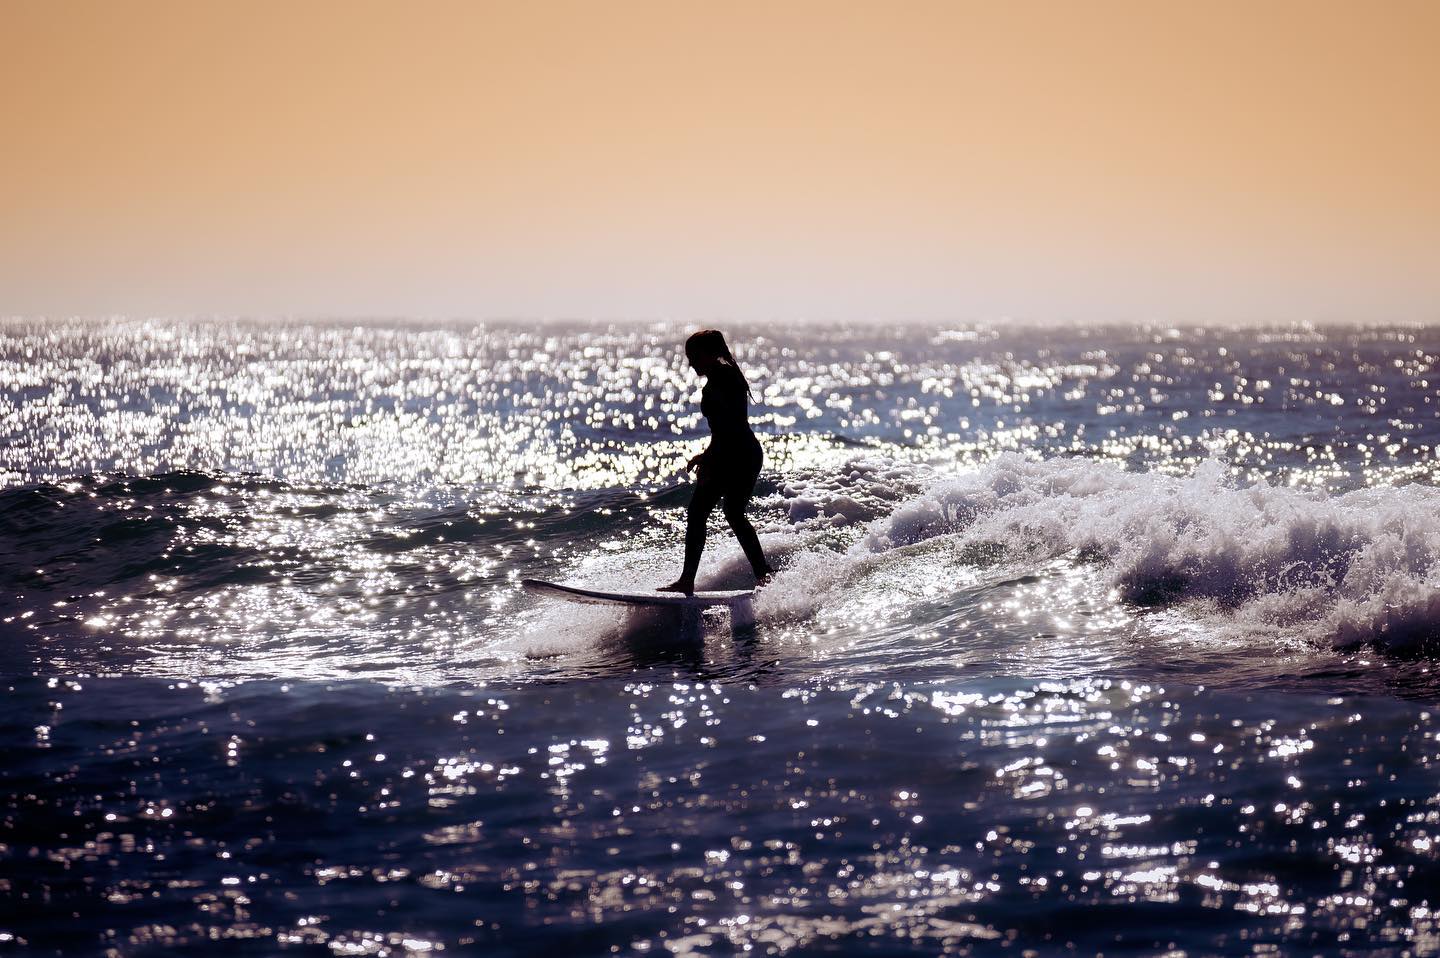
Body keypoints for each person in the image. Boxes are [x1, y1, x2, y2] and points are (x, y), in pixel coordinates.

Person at [659, 329, 775, 593]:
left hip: (738, 454)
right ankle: (763, 574)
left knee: (702, 512)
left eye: (694, 356)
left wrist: (711, 460)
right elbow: (723, 429)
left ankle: (688, 580)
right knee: (731, 513)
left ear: (709, 354)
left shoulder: (724, 377)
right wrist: (708, 455)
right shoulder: (721, 375)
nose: (691, 363)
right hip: (739, 451)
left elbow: (731, 427)